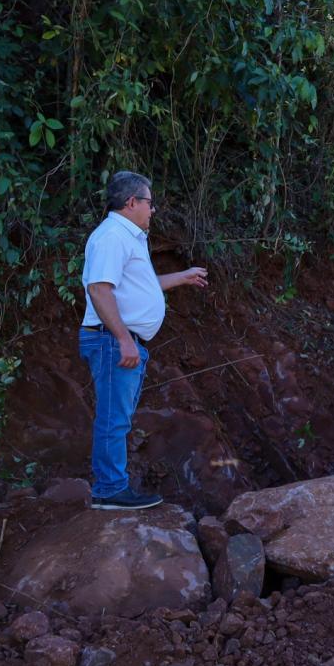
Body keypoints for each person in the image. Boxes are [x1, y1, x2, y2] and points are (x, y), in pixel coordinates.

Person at [79, 170, 208, 510]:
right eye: (150, 203)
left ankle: (112, 486)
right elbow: (98, 289)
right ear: (131, 202)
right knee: (113, 418)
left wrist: (182, 277)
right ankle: (109, 489)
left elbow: (141, 287)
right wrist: (123, 339)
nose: (153, 210)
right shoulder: (111, 237)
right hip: (111, 340)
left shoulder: (128, 237)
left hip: (119, 339)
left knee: (118, 417)